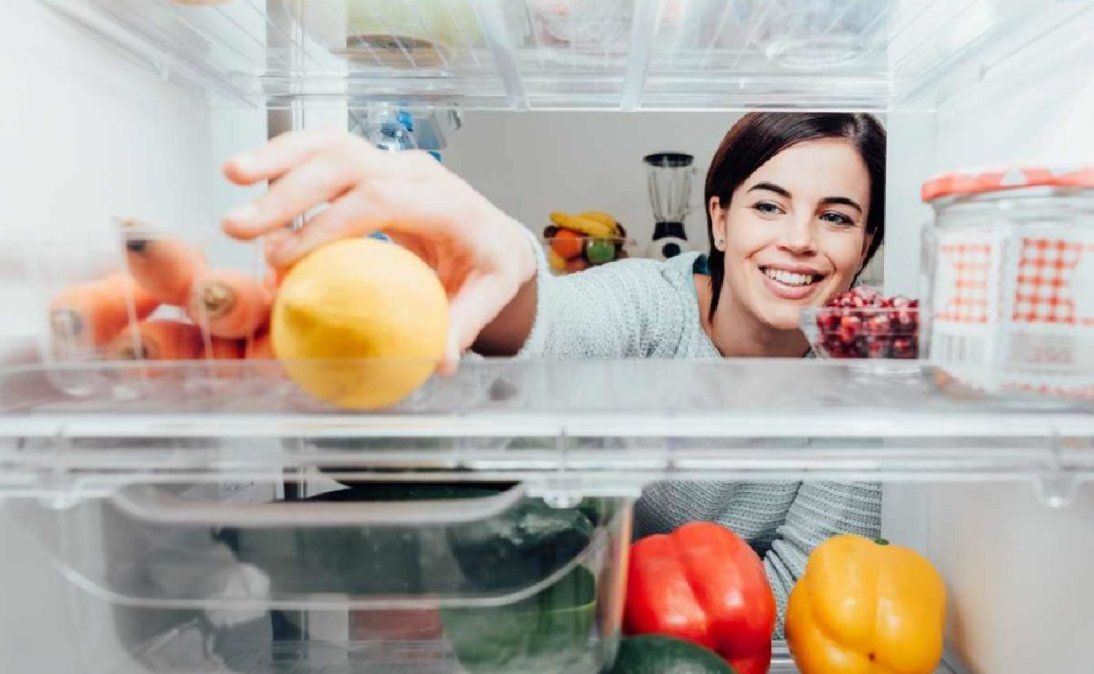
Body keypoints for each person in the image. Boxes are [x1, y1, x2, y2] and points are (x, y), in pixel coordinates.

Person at [222, 112, 886, 631]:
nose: (799, 238)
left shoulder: (857, 383)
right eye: (768, 205)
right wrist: (505, 264)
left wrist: (613, 613)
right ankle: (229, 556)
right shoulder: (648, 300)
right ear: (719, 219)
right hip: (567, 623)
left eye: (835, 217)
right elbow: (557, 325)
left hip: (694, 645)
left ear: (865, 248)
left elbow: (813, 593)